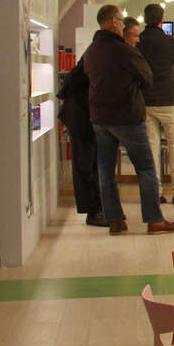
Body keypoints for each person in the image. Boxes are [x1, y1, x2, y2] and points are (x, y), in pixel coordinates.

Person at [85, 4, 174, 235]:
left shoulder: (91, 51)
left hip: (99, 118)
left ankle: (115, 220)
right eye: (121, 20)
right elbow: (147, 77)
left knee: (105, 170)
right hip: (127, 116)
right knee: (146, 168)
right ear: (115, 22)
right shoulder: (124, 50)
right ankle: (154, 220)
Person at [136, 4, 174, 205]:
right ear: (161, 20)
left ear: (145, 18)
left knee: (152, 148)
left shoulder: (138, 41)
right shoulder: (168, 41)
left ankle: (156, 192)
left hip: (146, 100)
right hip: (167, 100)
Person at [56, 55, 106, 227]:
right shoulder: (98, 55)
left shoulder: (98, 54)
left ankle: (97, 208)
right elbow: (69, 85)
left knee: (92, 163)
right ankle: (93, 211)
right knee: (85, 164)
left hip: (86, 114)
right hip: (81, 115)